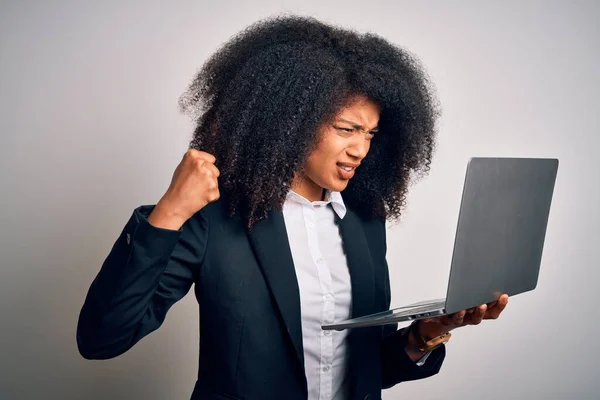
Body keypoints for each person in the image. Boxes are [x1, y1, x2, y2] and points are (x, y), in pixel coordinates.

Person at [76, 15, 509, 400]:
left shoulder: (363, 218)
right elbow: (102, 338)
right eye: (346, 129)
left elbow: (365, 369)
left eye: (371, 134)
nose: (361, 149)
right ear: (291, 121)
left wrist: (427, 334)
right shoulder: (214, 219)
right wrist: (168, 213)